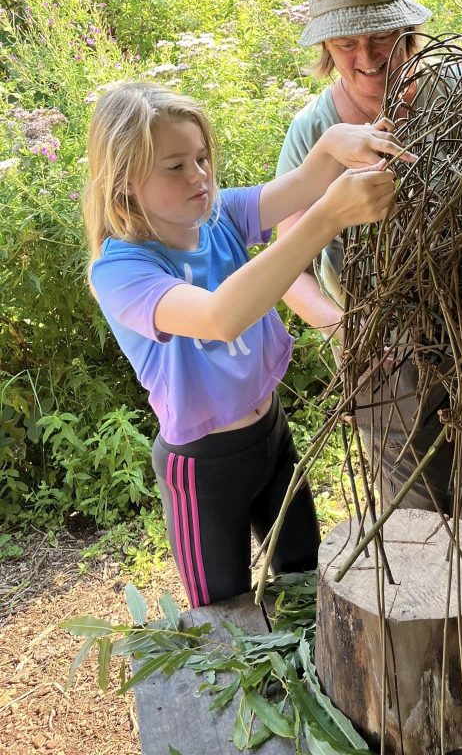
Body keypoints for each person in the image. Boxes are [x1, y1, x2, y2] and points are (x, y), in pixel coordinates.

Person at [83, 81, 403, 607]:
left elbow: (303, 182)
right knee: (222, 612)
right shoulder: (121, 270)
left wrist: (334, 146)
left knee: (305, 576)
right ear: (122, 185)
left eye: (203, 158)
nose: (199, 175)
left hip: (272, 435)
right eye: (175, 166)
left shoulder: (221, 217)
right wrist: (326, 218)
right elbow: (219, 317)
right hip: (202, 468)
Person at [276, 0, 462, 529]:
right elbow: (290, 263)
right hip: (378, 345)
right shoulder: (315, 131)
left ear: (408, 29)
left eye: (380, 35)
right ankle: (422, 615)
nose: (366, 58)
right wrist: (344, 327)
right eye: (344, 44)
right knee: (412, 505)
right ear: (324, 49)